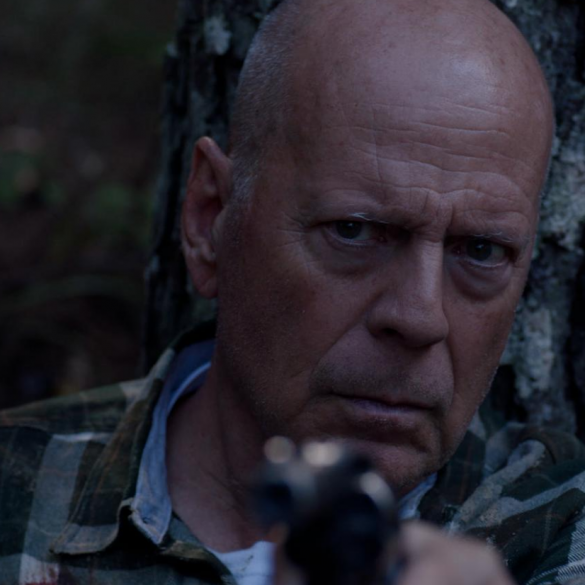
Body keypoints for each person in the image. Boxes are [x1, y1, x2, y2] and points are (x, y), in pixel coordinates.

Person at [1, 0, 584, 583]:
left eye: (481, 250)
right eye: (353, 231)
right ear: (211, 219)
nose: (420, 316)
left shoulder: (558, 528)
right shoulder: (16, 493)